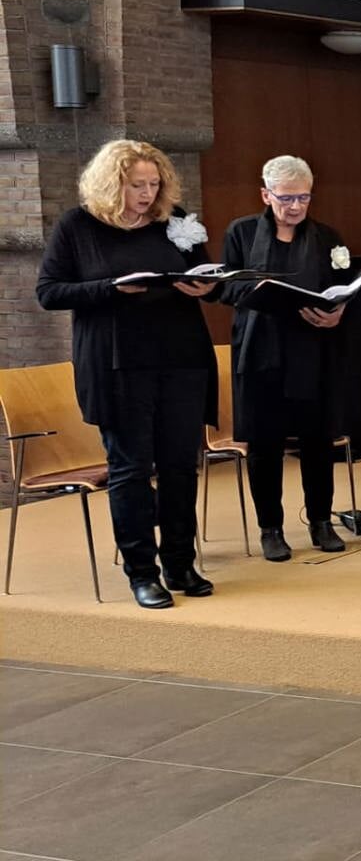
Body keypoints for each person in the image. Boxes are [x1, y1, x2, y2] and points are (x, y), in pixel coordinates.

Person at [36, 139, 219, 608]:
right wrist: (112, 289)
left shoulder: (175, 221)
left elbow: (208, 277)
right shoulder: (79, 226)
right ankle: (143, 572)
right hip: (118, 364)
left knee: (181, 465)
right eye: (137, 184)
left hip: (180, 358)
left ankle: (180, 563)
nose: (147, 193)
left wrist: (204, 287)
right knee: (131, 468)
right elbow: (50, 292)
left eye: (154, 184)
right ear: (111, 182)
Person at [217, 156, 350, 561]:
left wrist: (338, 311)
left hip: (311, 347)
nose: (295, 206)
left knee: (316, 440)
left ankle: (321, 521)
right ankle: (270, 528)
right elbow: (224, 290)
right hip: (261, 350)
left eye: (304, 197)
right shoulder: (241, 233)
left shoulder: (327, 237)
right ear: (266, 194)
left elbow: (341, 289)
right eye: (286, 197)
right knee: (265, 443)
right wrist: (257, 292)